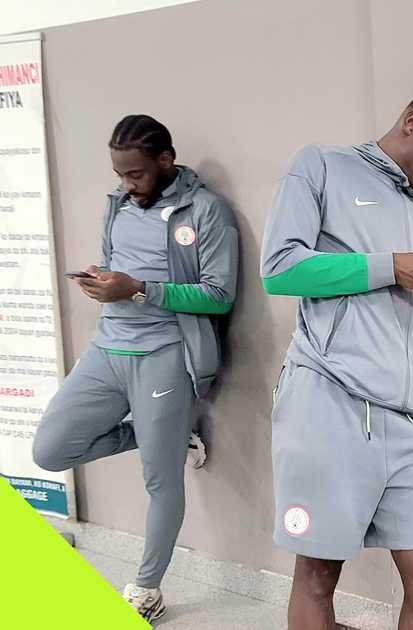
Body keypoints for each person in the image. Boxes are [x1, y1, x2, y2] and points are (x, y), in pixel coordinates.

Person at [260, 84, 413, 630]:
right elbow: (280, 269)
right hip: (330, 404)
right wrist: (391, 265)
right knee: (318, 576)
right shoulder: (321, 165)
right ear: (412, 121)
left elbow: (408, 316)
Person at [32, 114, 239, 621]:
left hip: (165, 356)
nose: (126, 185)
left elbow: (219, 295)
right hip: (108, 350)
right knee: (51, 450)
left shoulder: (207, 211)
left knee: (161, 483)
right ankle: (166, 435)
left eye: (136, 175)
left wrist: (140, 289)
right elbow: (117, 262)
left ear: (165, 160)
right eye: (120, 175)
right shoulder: (117, 205)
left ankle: (147, 588)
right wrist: (103, 279)